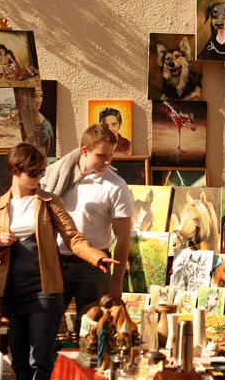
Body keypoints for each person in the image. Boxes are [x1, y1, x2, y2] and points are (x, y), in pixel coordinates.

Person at [0, 142, 118, 380]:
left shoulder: (50, 202)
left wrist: (97, 256)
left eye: (41, 172)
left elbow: (73, 237)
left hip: (44, 290)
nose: (38, 178)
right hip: (11, 292)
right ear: (15, 170)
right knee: (19, 361)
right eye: (33, 173)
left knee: (40, 359)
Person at [41, 124, 133, 336]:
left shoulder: (116, 186)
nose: (108, 161)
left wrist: (116, 282)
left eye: (111, 155)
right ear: (84, 151)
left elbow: (123, 238)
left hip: (95, 267)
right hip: (57, 261)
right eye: (101, 155)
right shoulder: (57, 176)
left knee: (92, 331)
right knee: (46, 326)